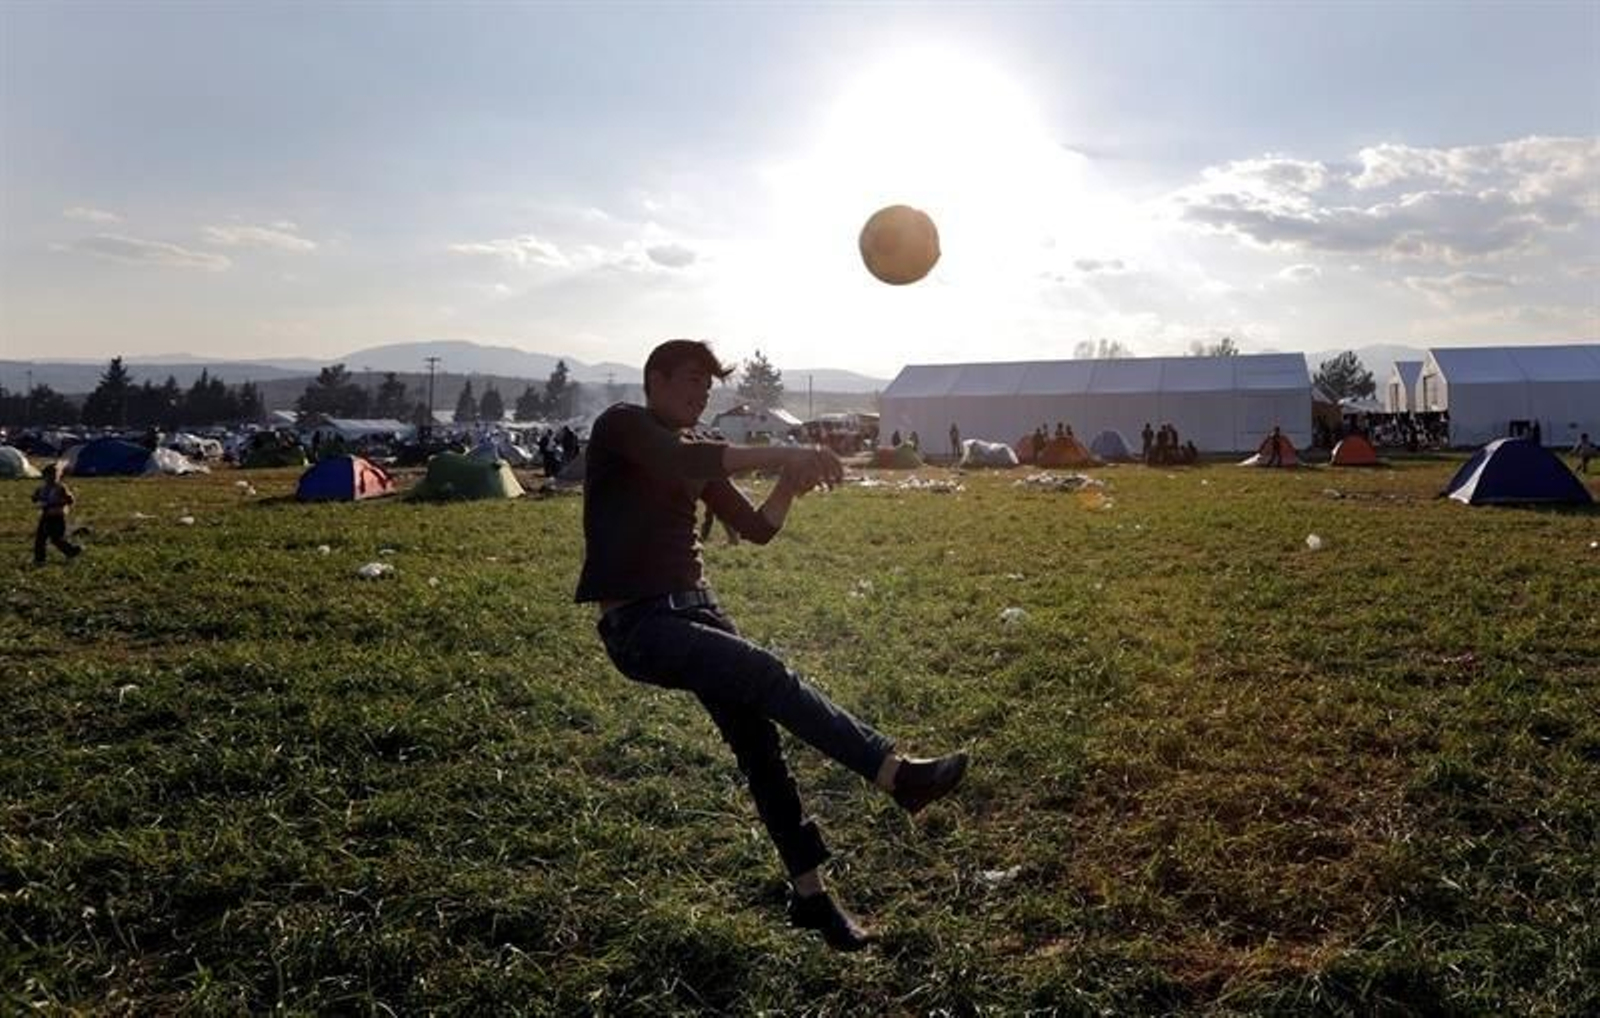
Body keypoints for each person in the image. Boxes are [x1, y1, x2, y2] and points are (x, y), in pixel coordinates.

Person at [577, 340, 968, 951]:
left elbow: (756, 530)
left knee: (760, 746)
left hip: (700, 612)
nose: (700, 393)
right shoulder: (624, 426)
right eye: (689, 380)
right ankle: (893, 772)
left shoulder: (700, 451)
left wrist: (787, 483)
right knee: (766, 672)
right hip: (642, 626)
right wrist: (786, 448)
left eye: (708, 386)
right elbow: (674, 458)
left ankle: (811, 898)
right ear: (654, 380)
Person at [31, 463, 82, 565]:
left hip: (57, 517)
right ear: (44, 476)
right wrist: (36, 498)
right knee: (40, 539)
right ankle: (39, 559)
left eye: (55, 475)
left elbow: (70, 500)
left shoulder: (61, 488)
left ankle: (70, 550)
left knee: (56, 538)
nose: (52, 478)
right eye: (49, 475)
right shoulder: (42, 489)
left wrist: (58, 502)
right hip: (45, 516)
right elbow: (34, 498)